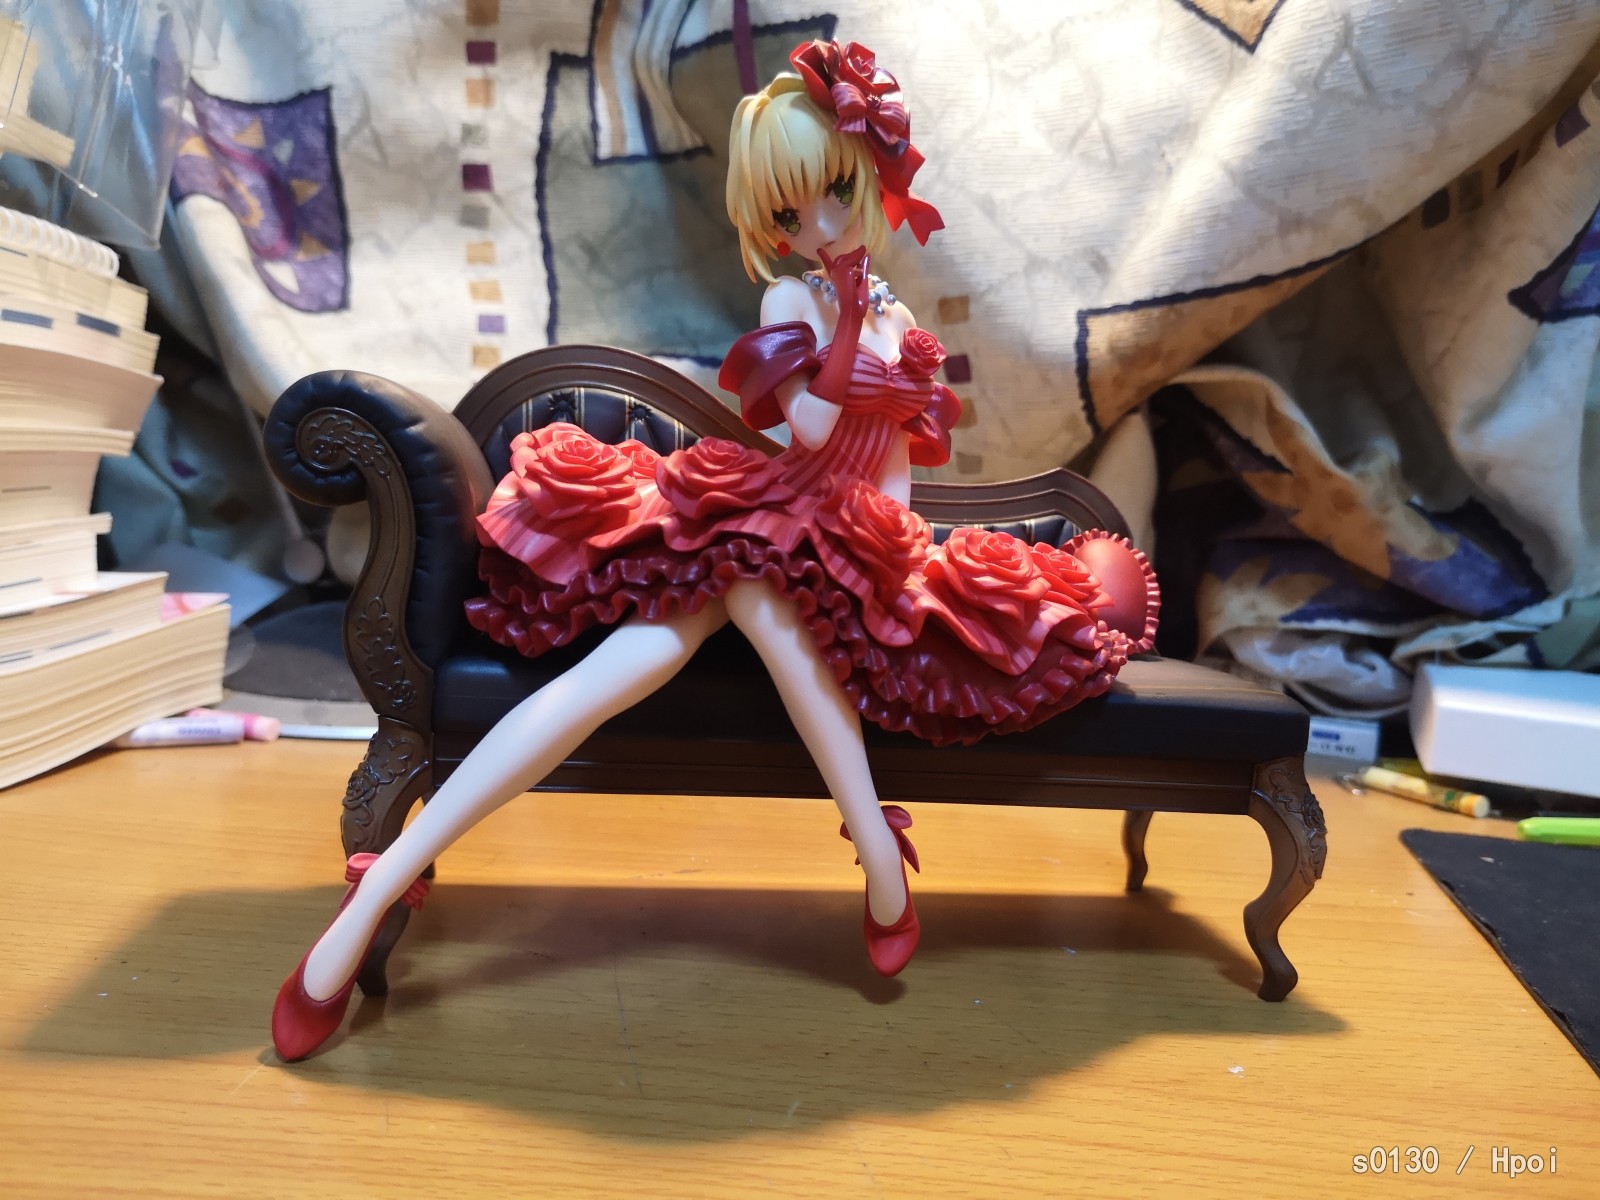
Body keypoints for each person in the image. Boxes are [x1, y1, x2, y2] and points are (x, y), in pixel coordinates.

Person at [271, 38, 1158, 1062]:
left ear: (867, 174)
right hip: (768, 508)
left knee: (722, 626)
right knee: (645, 656)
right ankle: (389, 880)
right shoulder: (794, 303)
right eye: (788, 215)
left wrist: (898, 551)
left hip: (847, 537)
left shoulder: (897, 317)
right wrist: (847, 336)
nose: (816, 226)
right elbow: (810, 432)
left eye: (833, 194)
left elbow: (895, 466)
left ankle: (870, 853)